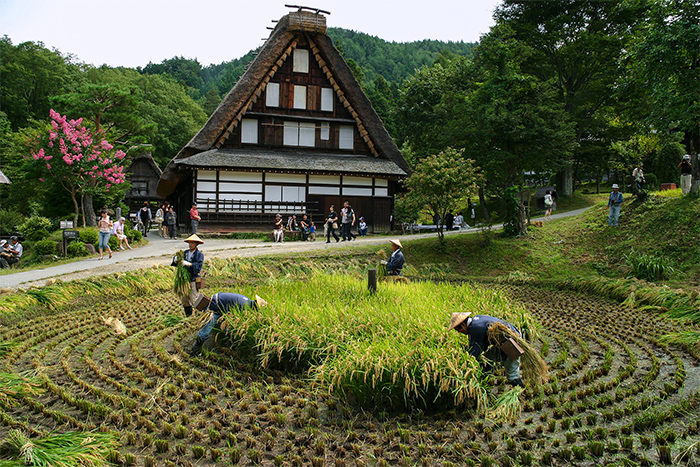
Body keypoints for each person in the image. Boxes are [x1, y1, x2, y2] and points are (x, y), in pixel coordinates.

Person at [449, 312, 525, 388]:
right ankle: (486, 380)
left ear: (463, 325)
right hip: (508, 337)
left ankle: (520, 391)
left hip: (512, 343)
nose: (460, 333)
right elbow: (483, 343)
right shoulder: (476, 319)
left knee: (512, 374)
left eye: (459, 330)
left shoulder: (475, 328)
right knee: (487, 360)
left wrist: (465, 364)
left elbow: (474, 352)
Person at [189, 292, 268, 356]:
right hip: (215, 306)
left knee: (226, 330)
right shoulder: (244, 306)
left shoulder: (247, 301)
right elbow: (233, 320)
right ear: (256, 307)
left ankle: (222, 347)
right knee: (205, 331)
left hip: (220, 304)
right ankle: (194, 351)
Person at [179, 234, 205, 317]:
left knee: (194, 298)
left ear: (197, 244)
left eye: (192, 243)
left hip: (193, 279)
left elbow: (198, 267)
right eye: (189, 243)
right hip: (184, 280)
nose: (190, 245)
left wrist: (190, 264)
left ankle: (199, 316)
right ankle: (189, 317)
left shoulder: (199, 254)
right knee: (184, 299)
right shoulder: (185, 253)